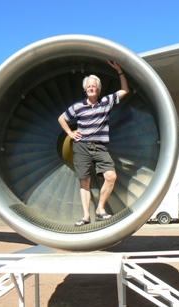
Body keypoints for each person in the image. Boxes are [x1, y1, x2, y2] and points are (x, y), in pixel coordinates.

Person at [58, 60, 130, 226]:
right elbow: (61, 118)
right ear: (85, 89)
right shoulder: (77, 107)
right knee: (85, 181)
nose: (91, 88)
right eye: (88, 86)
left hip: (100, 146)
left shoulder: (106, 102)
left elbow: (125, 90)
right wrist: (70, 132)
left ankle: (100, 209)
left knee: (111, 176)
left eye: (94, 86)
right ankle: (86, 216)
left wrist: (120, 71)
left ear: (98, 88)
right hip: (82, 146)